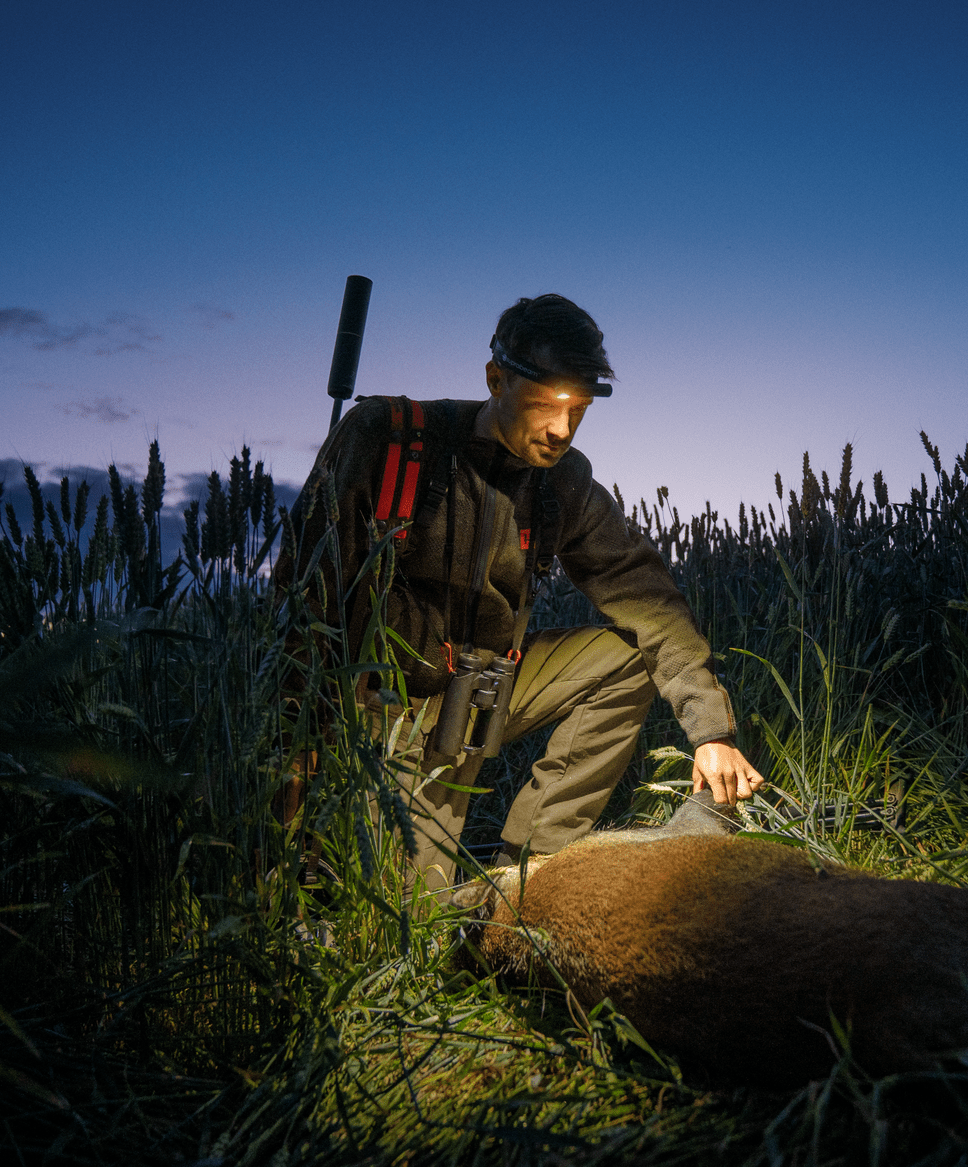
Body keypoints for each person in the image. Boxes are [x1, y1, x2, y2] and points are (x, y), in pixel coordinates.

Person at [275, 293, 764, 894]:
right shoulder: (390, 440)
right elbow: (304, 595)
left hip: (476, 703)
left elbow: (645, 592)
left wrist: (711, 731)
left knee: (629, 658)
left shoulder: (562, 480)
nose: (561, 429)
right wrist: (295, 740)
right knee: (414, 923)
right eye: (543, 405)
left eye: (577, 410)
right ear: (495, 379)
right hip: (382, 714)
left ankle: (541, 874)